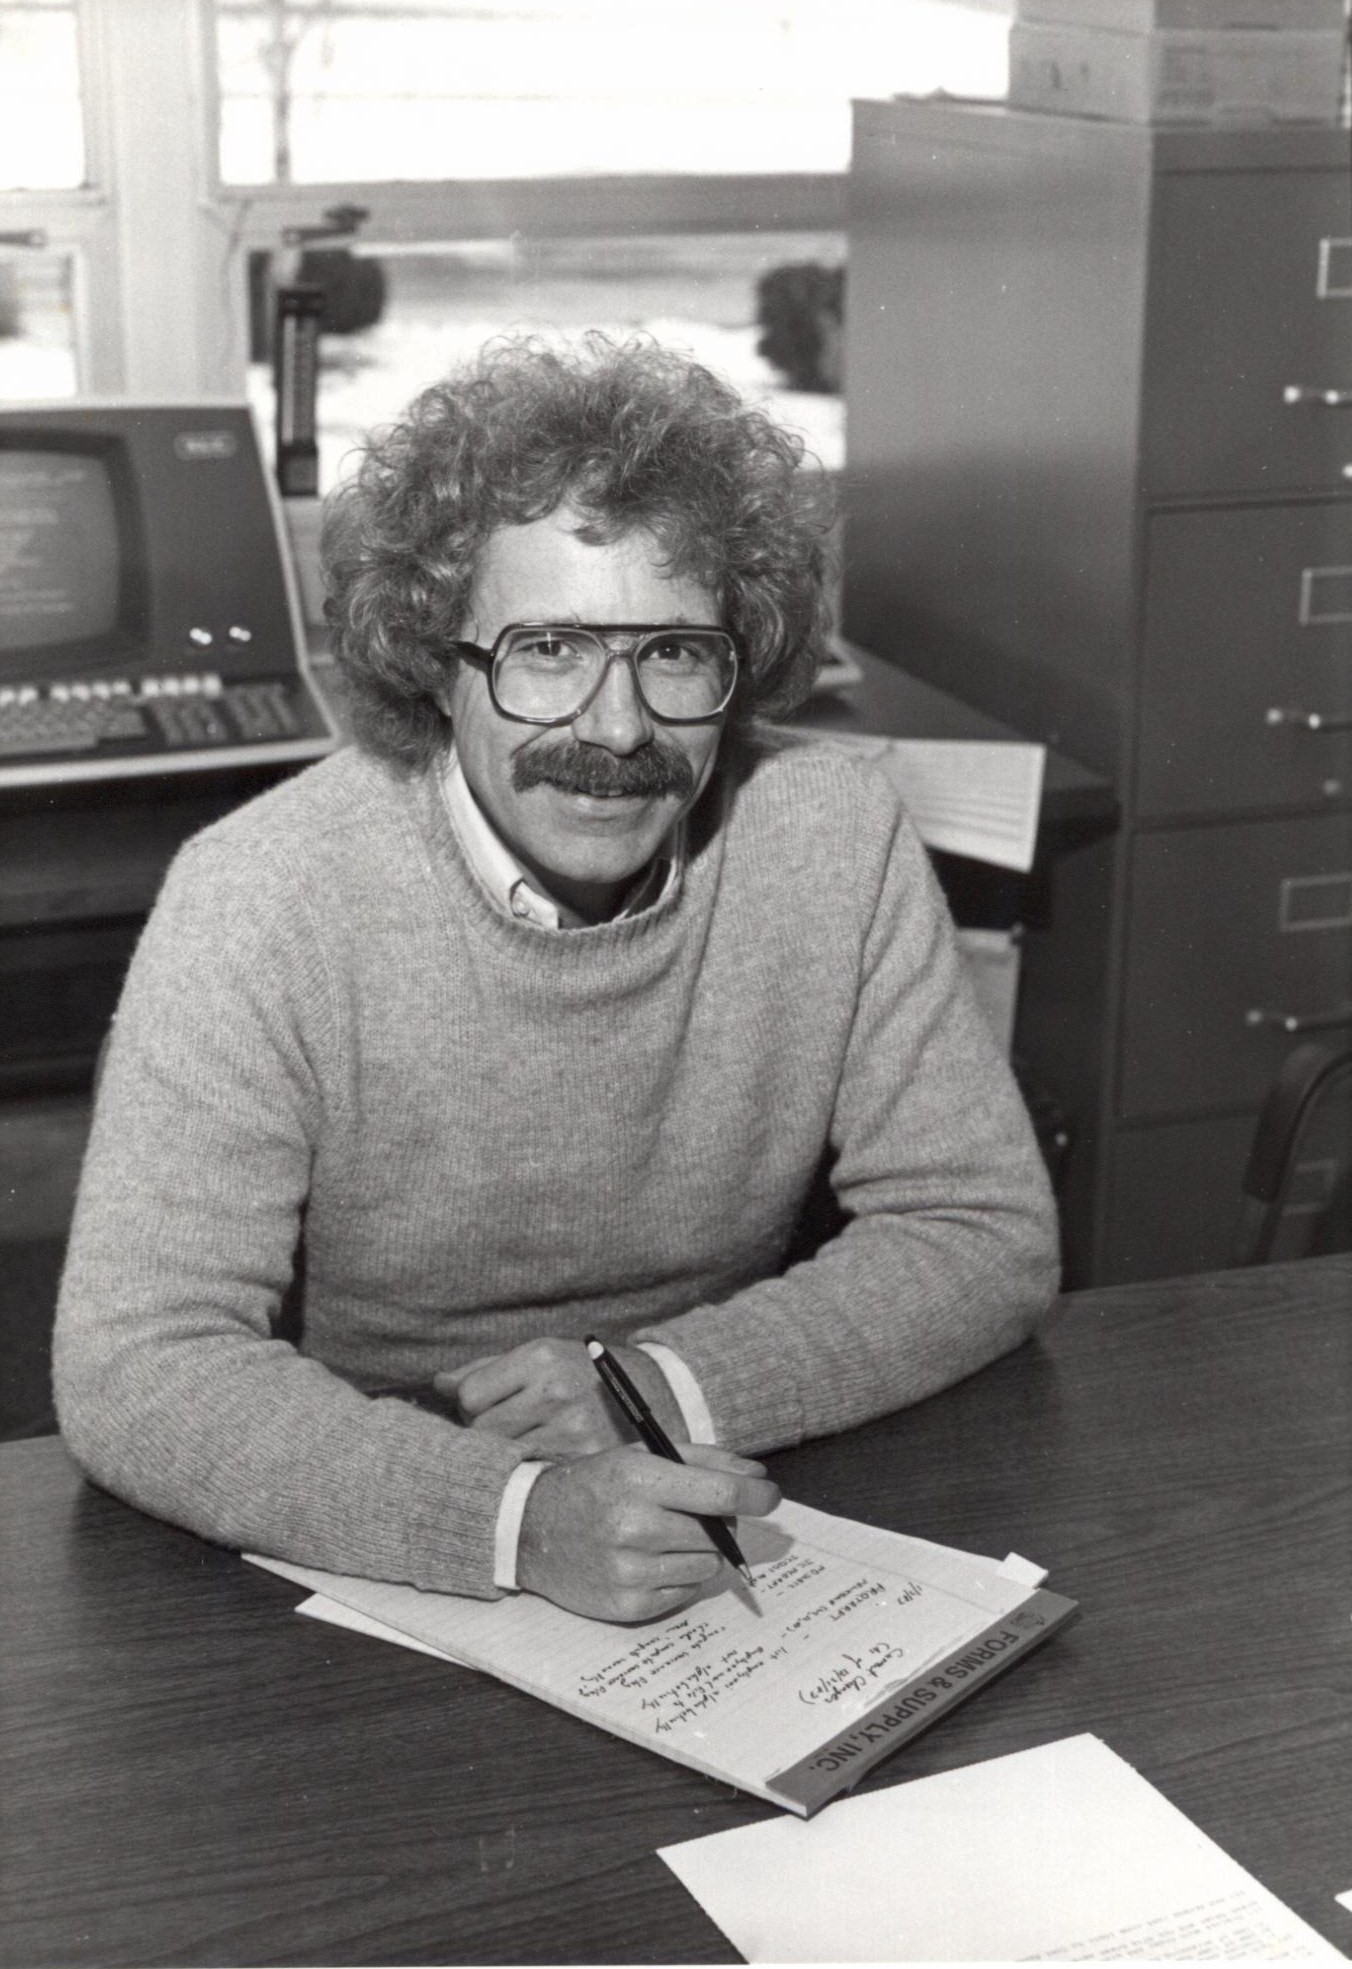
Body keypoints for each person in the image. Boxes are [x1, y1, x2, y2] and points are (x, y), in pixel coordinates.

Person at [53, 334, 1059, 1624]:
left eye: (676, 654)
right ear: (435, 656)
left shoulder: (833, 831)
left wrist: (659, 1384)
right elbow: (140, 1362)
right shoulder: (259, 895)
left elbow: (984, 1233)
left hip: (707, 1484)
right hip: (365, 1495)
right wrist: (510, 1521)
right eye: (547, 649)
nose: (618, 729)